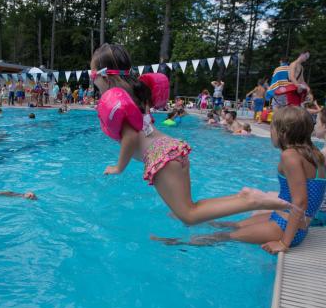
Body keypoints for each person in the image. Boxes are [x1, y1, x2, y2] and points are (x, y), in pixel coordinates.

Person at [92, 43, 290, 226]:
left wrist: (119, 167)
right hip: (170, 146)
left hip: (159, 156)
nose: (93, 81)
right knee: (187, 207)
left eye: (93, 76)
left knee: (189, 215)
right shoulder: (138, 91)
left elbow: (131, 137)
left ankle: (250, 201)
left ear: (106, 77)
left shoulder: (120, 101)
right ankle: (243, 197)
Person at [156, 106, 326, 253]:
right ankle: (188, 218)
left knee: (224, 236)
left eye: (272, 127)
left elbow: (301, 201)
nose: (271, 132)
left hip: (287, 227)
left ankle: (177, 243)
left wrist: (283, 243)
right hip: (288, 220)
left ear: (283, 132)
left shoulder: (290, 156)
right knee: (233, 225)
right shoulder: (316, 154)